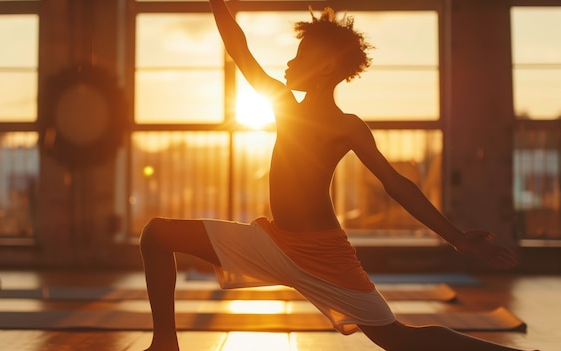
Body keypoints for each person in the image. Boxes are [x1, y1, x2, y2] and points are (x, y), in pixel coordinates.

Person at [140, 1, 535, 350]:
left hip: (325, 256)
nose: (290, 64)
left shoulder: (347, 126)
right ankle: (165, 344)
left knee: (399, 339)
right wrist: (218, 2)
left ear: (327, 66)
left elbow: (396, 184)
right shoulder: (282, 104)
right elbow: (240, 48)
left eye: (300, 57)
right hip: (273, 240)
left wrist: (457, 239)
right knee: (156, 233)